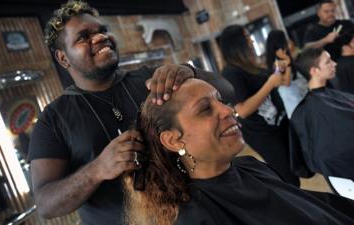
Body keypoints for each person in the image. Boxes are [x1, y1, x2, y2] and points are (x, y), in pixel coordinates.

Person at [27, 1, 234, 225]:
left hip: (196, 215)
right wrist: (97, 170)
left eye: (102, 31)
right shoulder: (53, 120)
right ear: (63, 58)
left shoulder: (153, 80)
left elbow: (228, 90)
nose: (99, 38)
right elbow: (46, 204)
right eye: (83, 37)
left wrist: (190, 71)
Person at [124, 78, 354, 225]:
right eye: (205, 109)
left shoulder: (249, 167)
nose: (228, 111)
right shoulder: (198, 217)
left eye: (221, 101)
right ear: (173, 140)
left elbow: (316, 209)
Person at [217, 25, 299, 186]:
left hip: (280, 123)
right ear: (236, 44)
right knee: (288, 178)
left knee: (296, 168)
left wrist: (284, 66)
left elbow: (284, 82)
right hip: (264, 132)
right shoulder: (231, 72)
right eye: (247, 38)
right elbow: (242, 110)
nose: (251, 40)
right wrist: (270, 83)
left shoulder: (252, 66)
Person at [290, 47, 354, 180]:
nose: (334, 64)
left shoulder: (328, 95)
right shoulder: (310, 110)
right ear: (314, 71)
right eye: (328, 62)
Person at [265, 30, 307, 118]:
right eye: (285, 41)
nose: (288, 44)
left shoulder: (282, 60)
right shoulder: (276, 63)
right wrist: (287, 62)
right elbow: (286, 83)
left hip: (298, 97)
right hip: (292, 101)